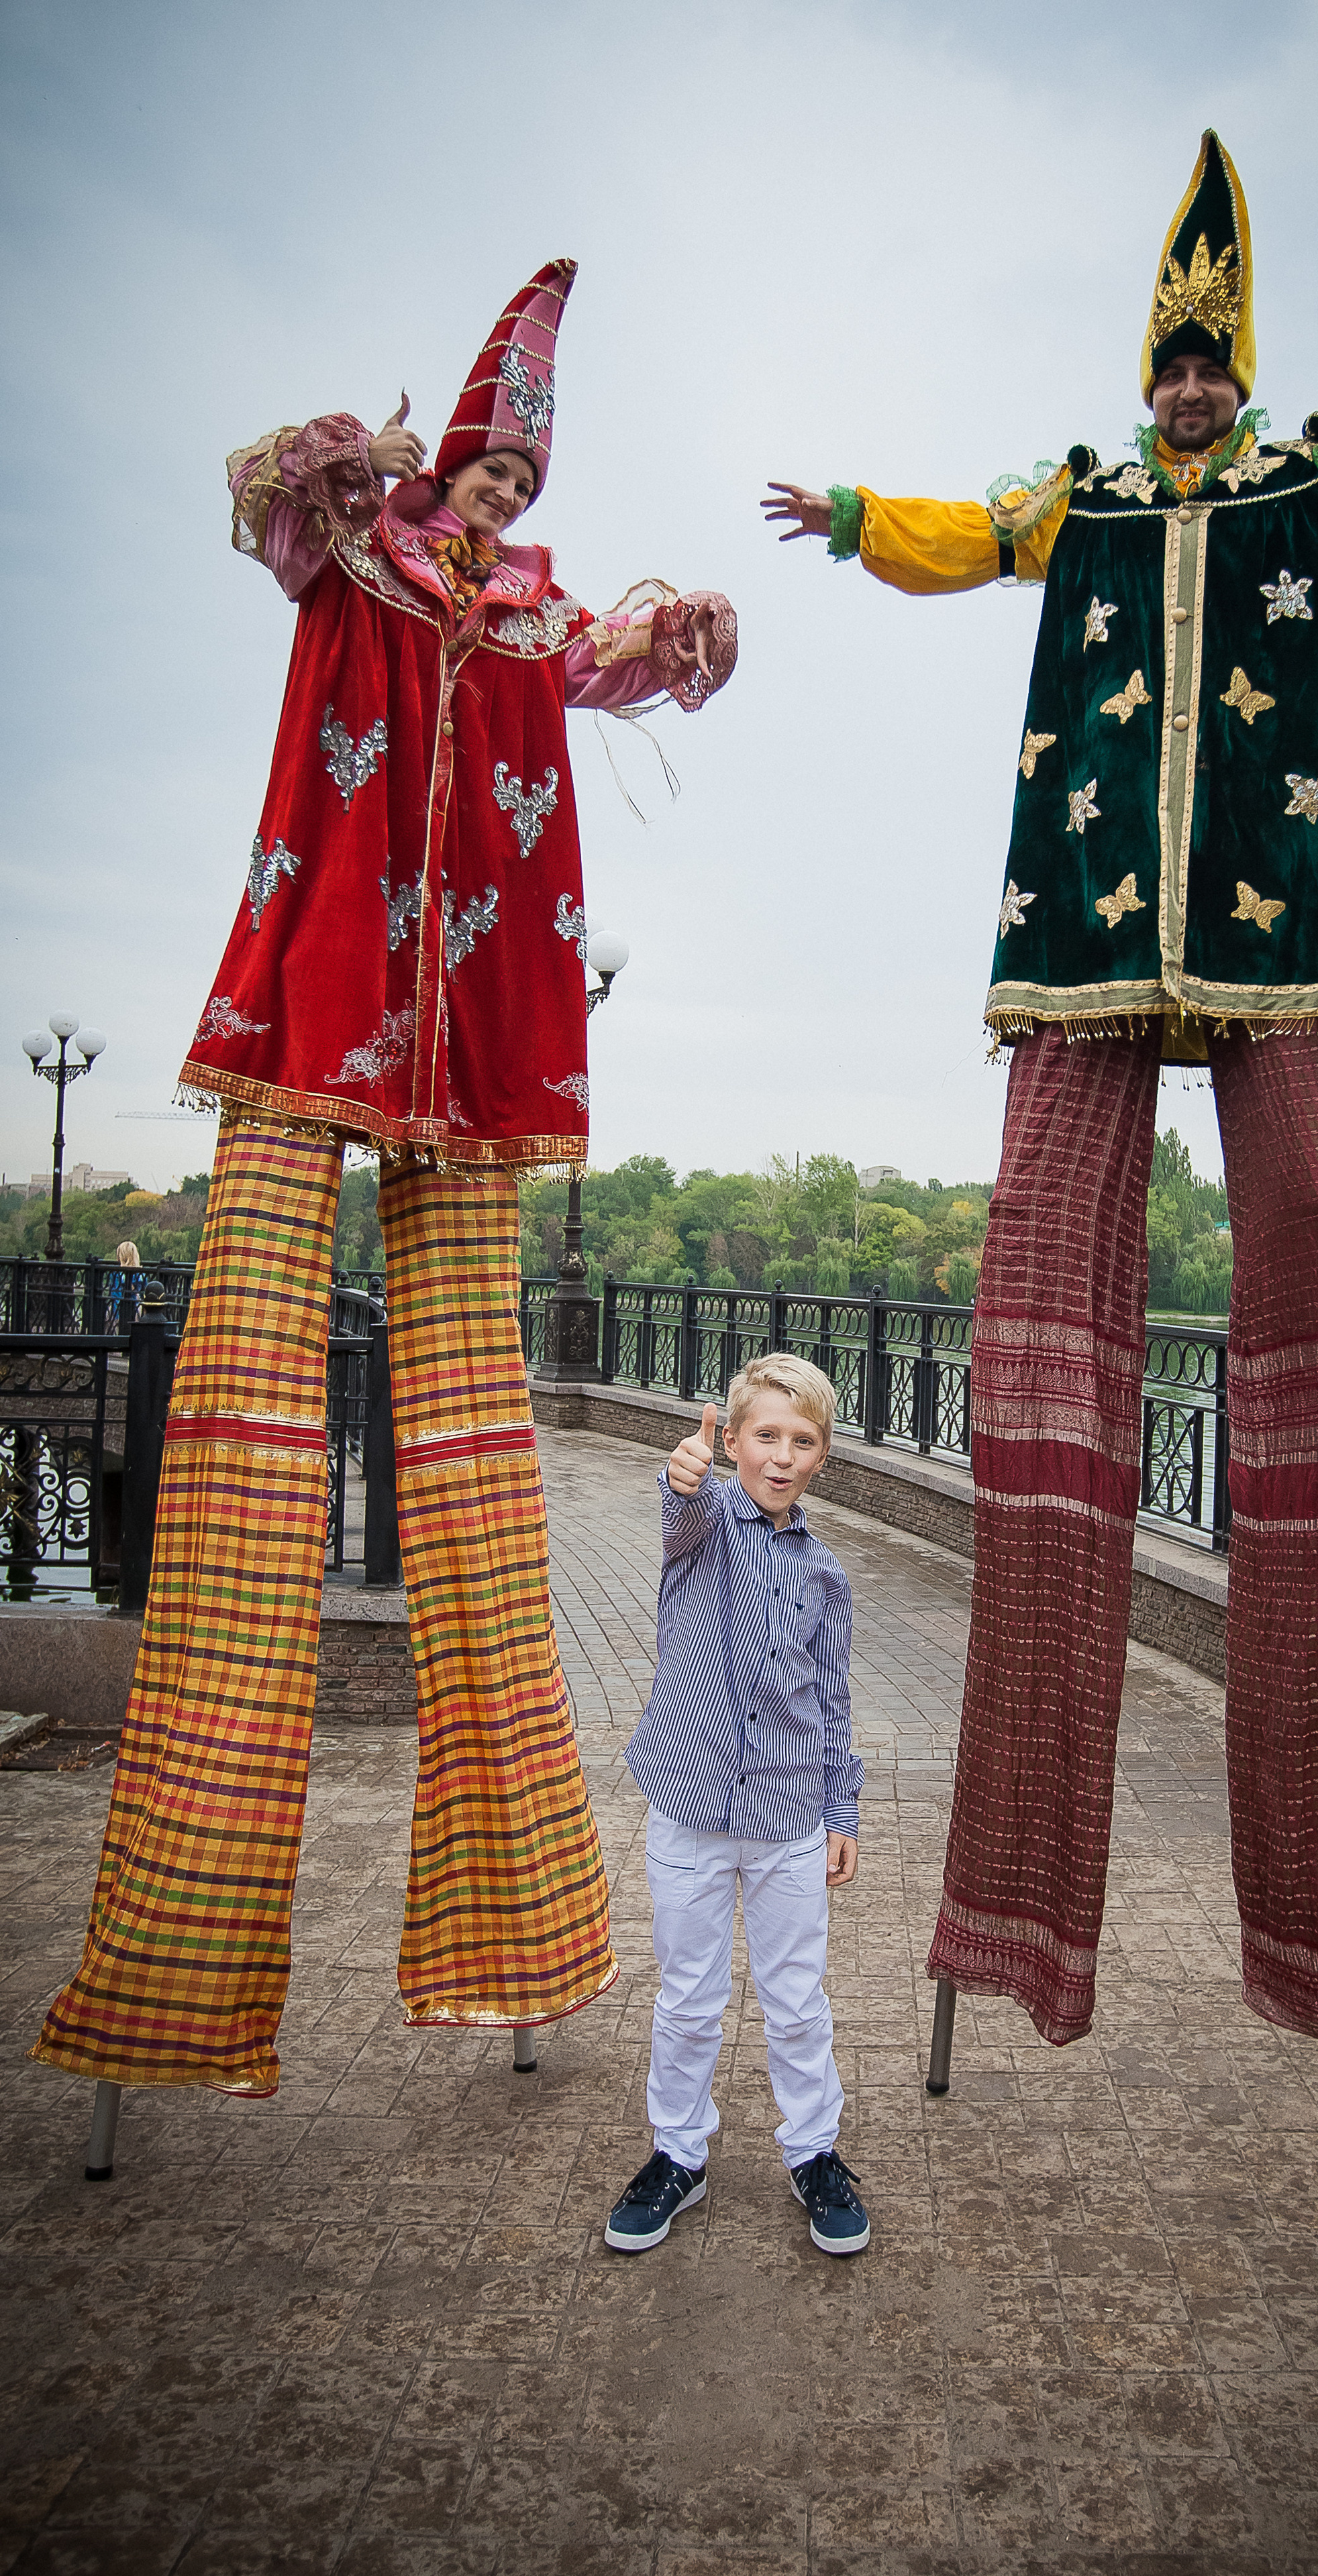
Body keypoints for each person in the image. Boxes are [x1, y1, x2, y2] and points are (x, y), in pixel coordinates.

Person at [762, 135, 1318, 2069]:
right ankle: (1010, 1913)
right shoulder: (1082, 491)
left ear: (1239, 366)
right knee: (1037, 1265)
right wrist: (852, 516)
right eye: (1169, 361)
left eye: (1208, 362)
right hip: (1099, 929)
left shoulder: (1315, 468)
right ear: (1148, 365)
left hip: (1278, 930)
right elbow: (964, 532)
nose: (1187, 388)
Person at [35, 260, 738, 2102]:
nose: (499, 495)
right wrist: (372, 456)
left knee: (482, 1493)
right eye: (485, 465)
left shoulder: (528, 609)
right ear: (453, 452)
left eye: (521, 477)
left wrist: (684, 639)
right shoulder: (354, 540)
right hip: (312, 998)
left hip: (482, 1055)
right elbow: (270, 494)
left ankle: (518, 1948)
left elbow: (616, 667)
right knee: (242, 1476)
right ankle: (169, 1980)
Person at [605, 1354, 870, 2257]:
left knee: (797, 2001)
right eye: (766, 1435)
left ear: (823, 1457)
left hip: (791, 1817)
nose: (783, 1456)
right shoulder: (706, 1522)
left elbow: (833, 1698)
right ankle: (679, 2153)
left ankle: (815, 2153)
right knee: (688, 1997)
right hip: (690, 1809)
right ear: (734, 1438)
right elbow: (680, 1504)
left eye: (802, 1441)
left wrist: (843, 1811)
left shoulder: (827, 1575)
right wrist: (685, 1472)